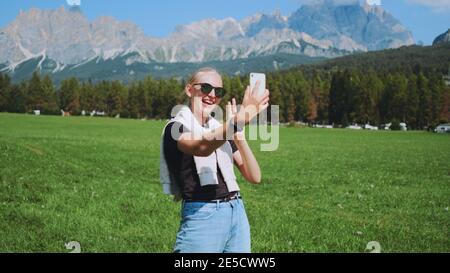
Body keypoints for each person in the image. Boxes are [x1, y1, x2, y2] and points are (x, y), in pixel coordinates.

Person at [159, 67, 270, 253]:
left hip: (237, 212)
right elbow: (201, 147)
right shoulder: (175, 127)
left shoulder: (221, 130)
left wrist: (238, 132)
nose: (212, 95)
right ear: (189, 89)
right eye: (205, 88)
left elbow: (254, 176)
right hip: (203, 214)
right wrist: (239, 120)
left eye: (218, 91)